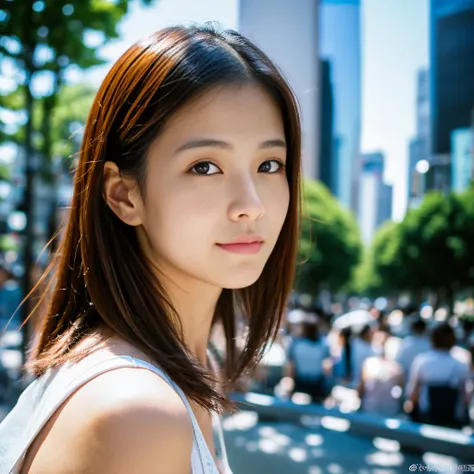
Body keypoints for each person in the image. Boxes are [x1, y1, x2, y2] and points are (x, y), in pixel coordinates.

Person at [0, 23, 302, 474]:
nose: (251, 205)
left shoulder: (184, 371)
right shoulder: (137, 413)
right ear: (124, 195)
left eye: (268, 164)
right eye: (205, 166)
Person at [406, 323, 470, 429]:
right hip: (452, 422)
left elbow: (413, 394)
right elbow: (466, 398)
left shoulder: (422, 361)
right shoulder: (461, 364)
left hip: (426, 419)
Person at [285, 319, 330, 402]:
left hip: (300, 383)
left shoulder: (296, 343)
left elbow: (290, 365)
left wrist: (289, 380)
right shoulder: (323, 344)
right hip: (316, 384)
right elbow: (327, 367)